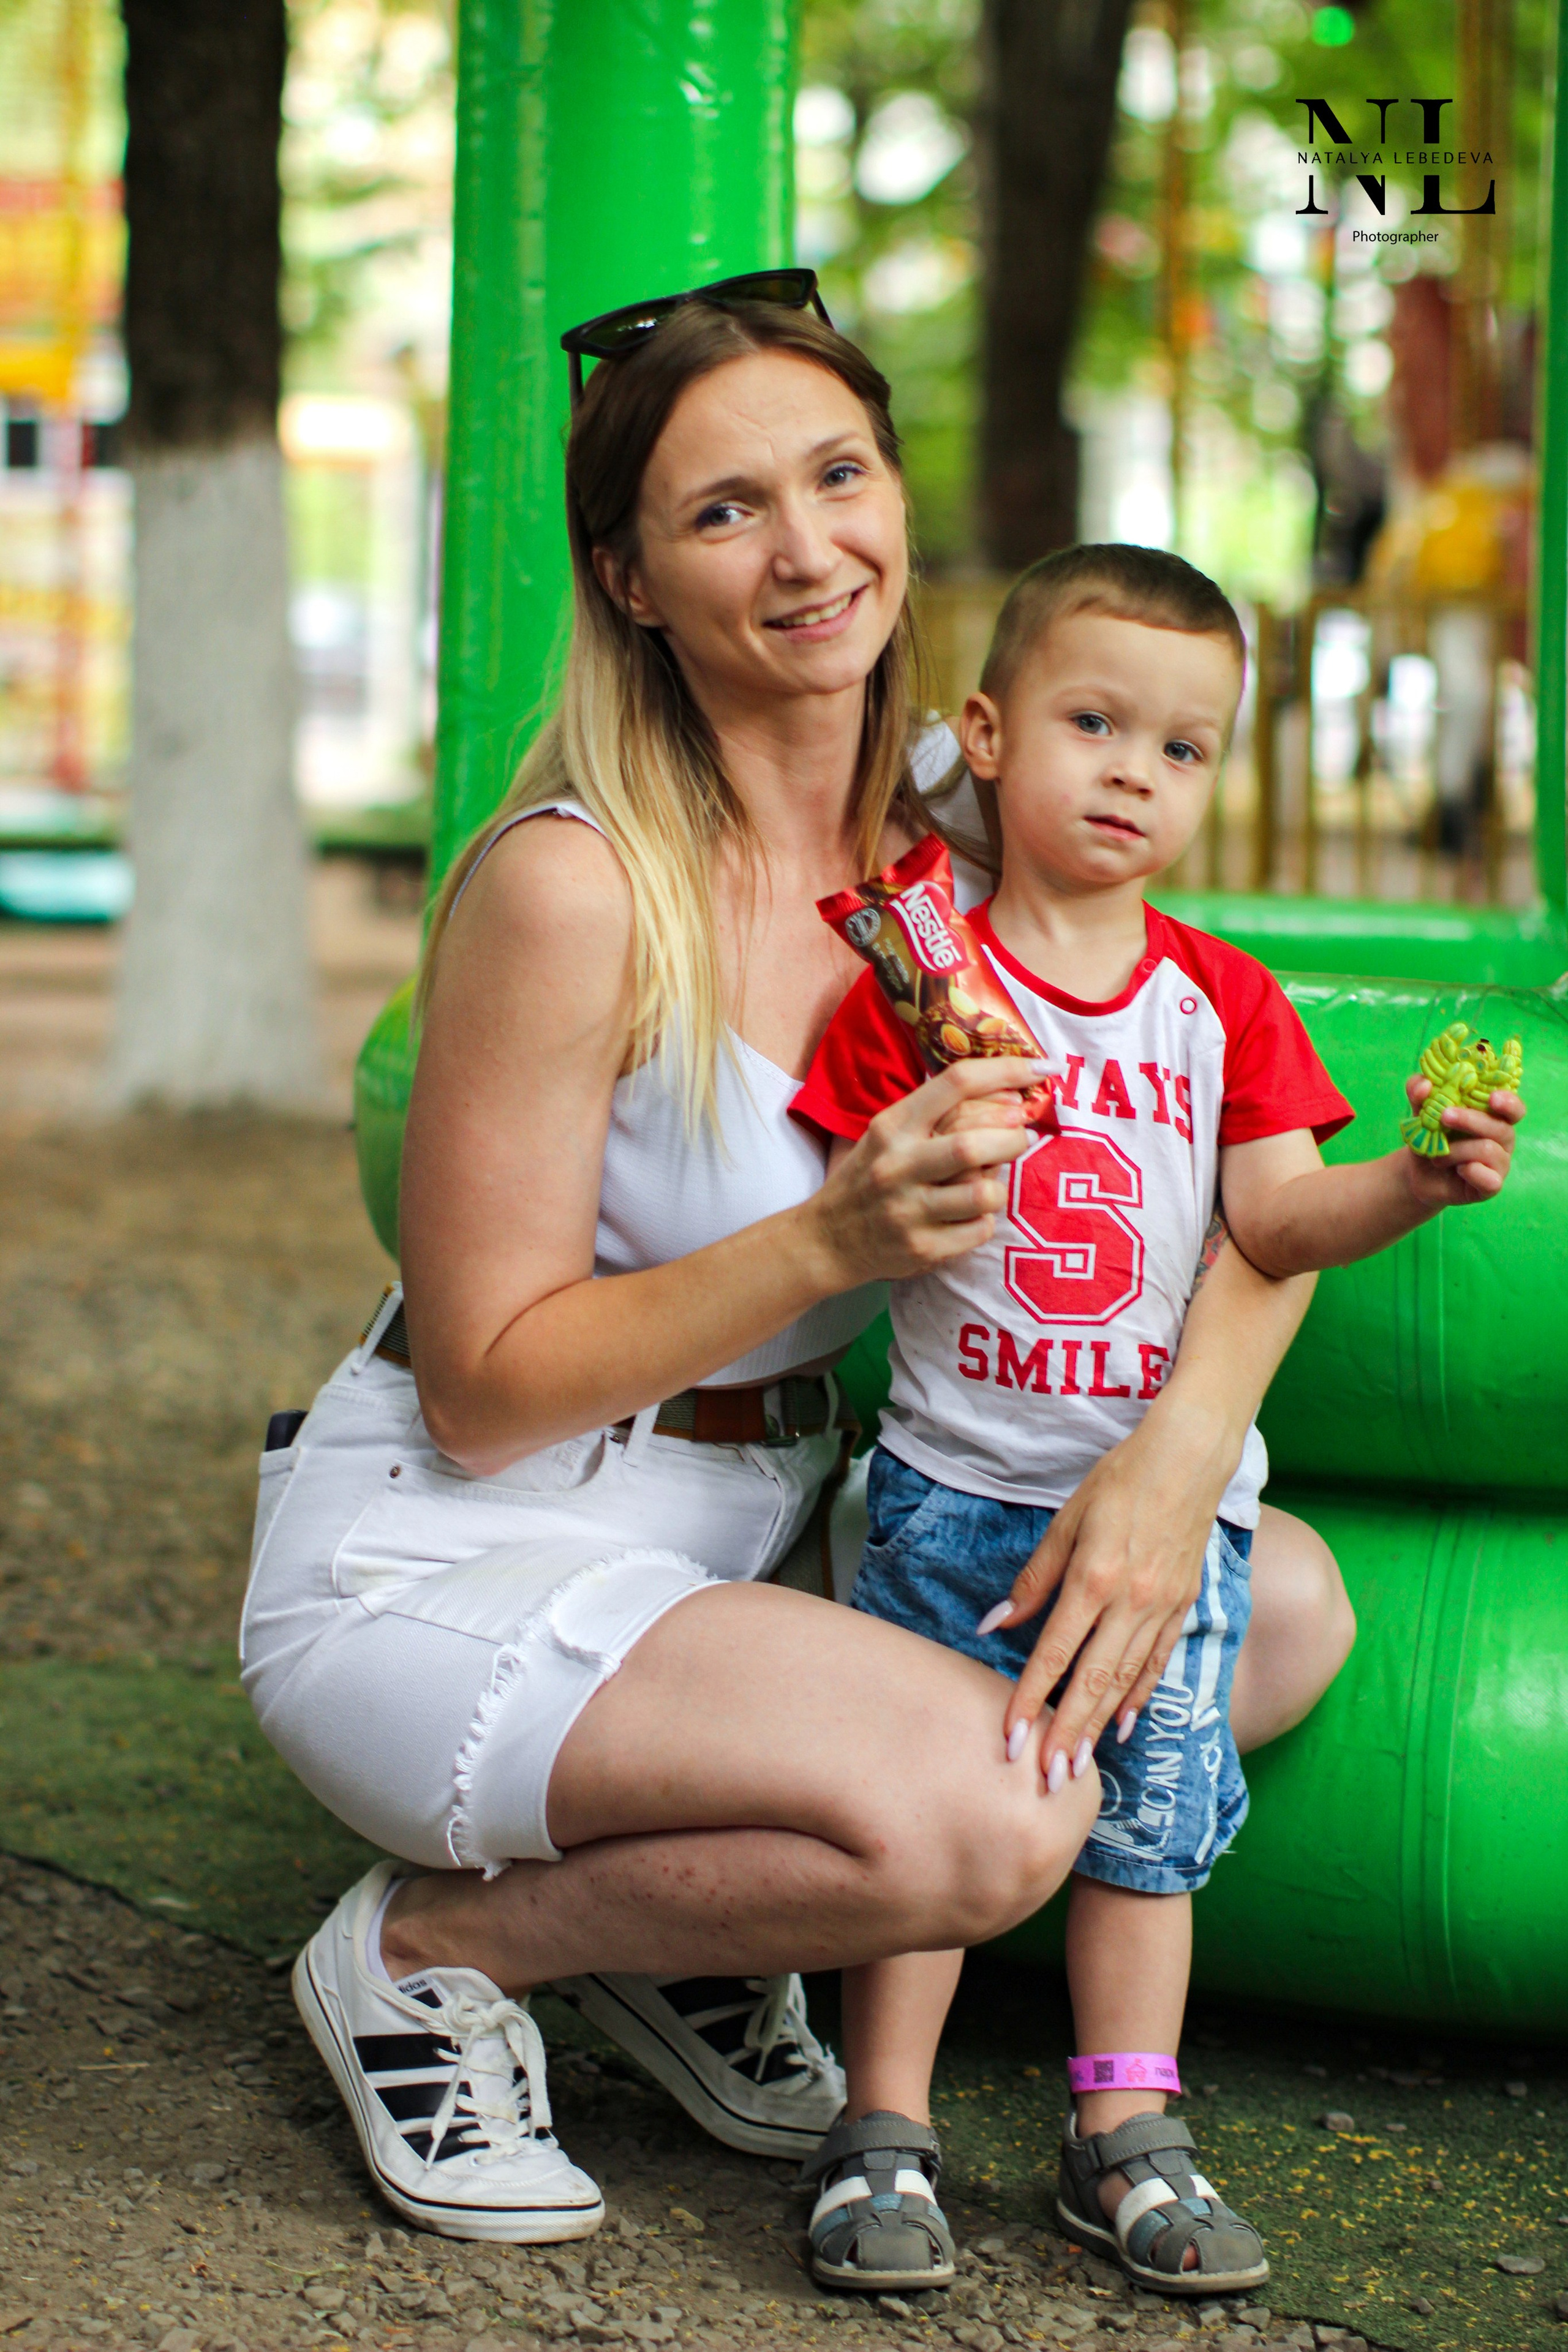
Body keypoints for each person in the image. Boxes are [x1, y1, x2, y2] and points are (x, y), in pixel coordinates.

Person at [241, 275, 1354, 2250]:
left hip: (753, 1522)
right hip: (474, 1537)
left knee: (1273, 1616)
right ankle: (437, 1950)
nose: (808, 546)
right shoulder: (576, 882)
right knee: (1004, 1812)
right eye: (725, 510)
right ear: (638, 580)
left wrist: (1178, 1467)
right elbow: (488, 1382)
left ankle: (696, 1930)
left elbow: (1228, 1103)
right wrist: (827, 1236)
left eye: (838, 473)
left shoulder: (964, 832)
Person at [791, 543, 1526, 2297]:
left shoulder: (1223, 1003)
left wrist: (1412, 1187)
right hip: (950, 1489)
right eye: (1093, 721)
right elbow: (832, 1193)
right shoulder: (920, 976)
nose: (1134, 770)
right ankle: (880, 2120)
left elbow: (1276, 1228)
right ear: (987, 734)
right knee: (941, 1797)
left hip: (1168, 1525)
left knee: (1148, 1823)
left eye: (1183, 748)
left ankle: (1125, 2127)